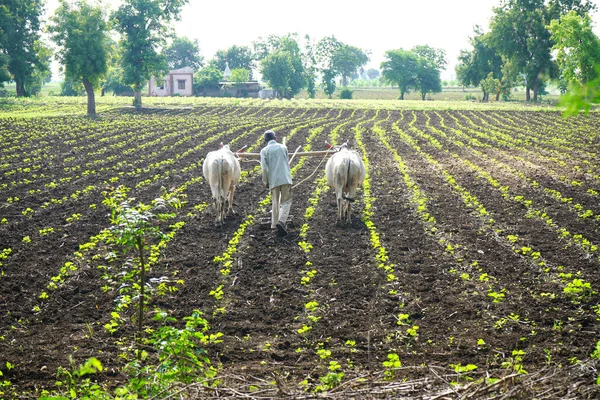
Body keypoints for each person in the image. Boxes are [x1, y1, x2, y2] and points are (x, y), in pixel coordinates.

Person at [260, 130, 292, 236]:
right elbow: (286, 162)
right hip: (285, 178)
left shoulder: (264, 151)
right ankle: (281, 221)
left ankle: (274, 225)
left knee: (275, 202)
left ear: (265, 140)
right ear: (275, 138)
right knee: (286, 202)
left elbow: (264, 168)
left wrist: (265, 181)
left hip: (273, 181)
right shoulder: (283, 147)